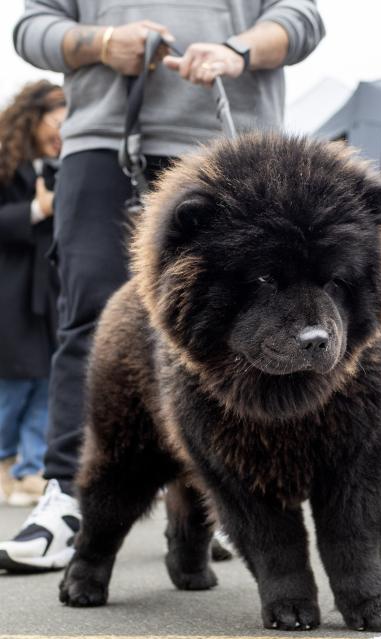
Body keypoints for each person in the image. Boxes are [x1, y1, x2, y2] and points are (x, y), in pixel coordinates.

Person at [0, 0, 324, 572]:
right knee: (93, 319)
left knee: (239, 324)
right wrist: (102, 45)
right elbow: (31, 27)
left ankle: (225, 498)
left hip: (231, 145)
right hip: (103, 144)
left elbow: (301, 19)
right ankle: (70, 499)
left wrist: (237, 50)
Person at [0, 82, 65, 510]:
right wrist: (38, 210)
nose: (61, 130)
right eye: (57, 119)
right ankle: (7, 462)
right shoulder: (7, 165)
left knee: (46, 379)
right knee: (13, 384)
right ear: (34, 117)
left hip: (52, 289)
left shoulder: (67, 164)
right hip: (10, 289)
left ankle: (29, 471)